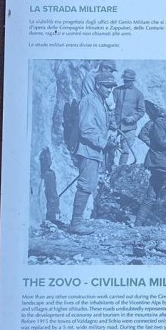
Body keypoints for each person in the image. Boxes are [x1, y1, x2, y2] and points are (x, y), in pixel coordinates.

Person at [64, 72, 115, 234]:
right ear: (97, 85)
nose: (110, 90)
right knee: (85, 185)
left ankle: (77, 222)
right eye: (107, 86)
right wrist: (104, 143)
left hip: (95, 150)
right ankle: (75, 223)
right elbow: (86, 128)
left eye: (111, 87)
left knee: (89, 184)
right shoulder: (89, 101)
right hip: (88, 150)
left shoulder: (100, 101)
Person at [110, 68, 145, 167]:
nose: (126, 82)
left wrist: (133, 118)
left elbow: (141, 111)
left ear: (133, 81)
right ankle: (108, 167)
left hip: (129, 127)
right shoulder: (116, 91)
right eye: (125, 80)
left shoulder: (138, 94)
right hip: (115, 125)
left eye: (128, 81)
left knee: (125, 150)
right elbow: (110, 107)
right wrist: (112, 120)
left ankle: (121, 168)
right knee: (109, 146)